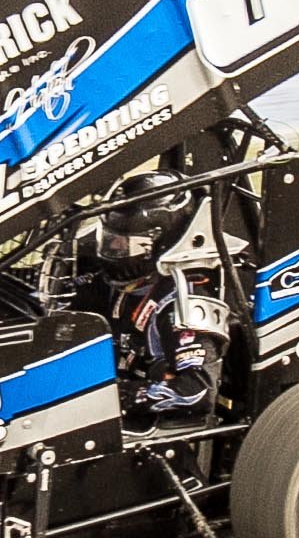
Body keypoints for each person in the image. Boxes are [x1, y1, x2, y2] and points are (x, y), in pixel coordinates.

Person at [92, 169, 226, 424]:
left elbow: (197, 392)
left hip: (152, 432)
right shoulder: (119, 284)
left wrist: (121, 397)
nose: (113, 249)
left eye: (125, 243)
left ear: (160, 241)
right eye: (111, 240)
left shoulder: (180, 301)